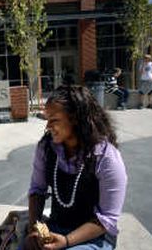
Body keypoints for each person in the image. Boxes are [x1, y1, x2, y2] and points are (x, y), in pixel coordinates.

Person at [24, 85, 127, 250]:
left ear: (75, 118)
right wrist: (33, 228)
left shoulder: (106, 157)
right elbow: (37, 190)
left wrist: (66, 241)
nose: (48, 126)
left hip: (95, 237)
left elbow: (107, 219)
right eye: (47, 119)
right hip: (56, 227)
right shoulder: (46, 148)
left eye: (54, 120)